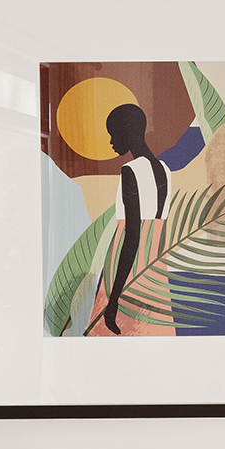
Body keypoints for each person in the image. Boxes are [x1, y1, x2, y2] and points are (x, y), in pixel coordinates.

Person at [91, 101, 169, 336]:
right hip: (154, 271)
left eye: (113, 134)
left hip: (127, 270)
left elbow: (132, 236)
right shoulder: (164, 170)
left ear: (127, 131)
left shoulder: (131, 170)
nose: (111, 142)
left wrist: (114, 299)